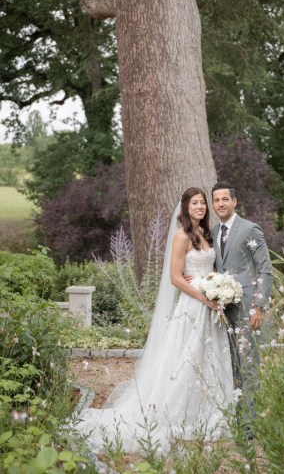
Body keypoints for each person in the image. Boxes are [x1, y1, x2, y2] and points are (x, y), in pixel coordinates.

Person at [74, 187, 234, 453]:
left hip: (210, 307)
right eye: (195, 203)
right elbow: (175, 277)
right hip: (193, 306)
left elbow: (210, 269)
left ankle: (208, 411)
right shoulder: (181, 236)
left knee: (208, 359)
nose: (201, 207)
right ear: (185, 208)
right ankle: (176, 412)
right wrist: (204, 297)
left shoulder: (206, 235)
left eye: (203, 203)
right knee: (186, 360)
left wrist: (218, 286)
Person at [211, 181, 273, 433]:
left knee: (249, 363)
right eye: (216, 200)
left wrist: (259, 306)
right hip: (224, 310)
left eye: (225, 199)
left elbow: (265, 269)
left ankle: (250, 423)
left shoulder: (250, 229)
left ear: (234, 202)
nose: (221, 204)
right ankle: (236, 418)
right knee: (231, 364)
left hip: (248, 308)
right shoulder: (213, 231)